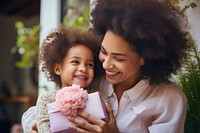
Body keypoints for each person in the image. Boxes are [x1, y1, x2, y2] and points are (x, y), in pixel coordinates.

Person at [22, 0, 190, 132]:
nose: (106, 63)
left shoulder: (169, 99)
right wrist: (36, 127)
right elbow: (35, 112)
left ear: (145, 58)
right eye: (104, 51)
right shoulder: (93, 78)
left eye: (119, 58)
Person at [22, 25, 103, 133]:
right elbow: (43, 129)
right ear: (57, 69)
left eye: (90, 65)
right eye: (75, 62)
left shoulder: (98, 97)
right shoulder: (46, 99)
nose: (83, 68)